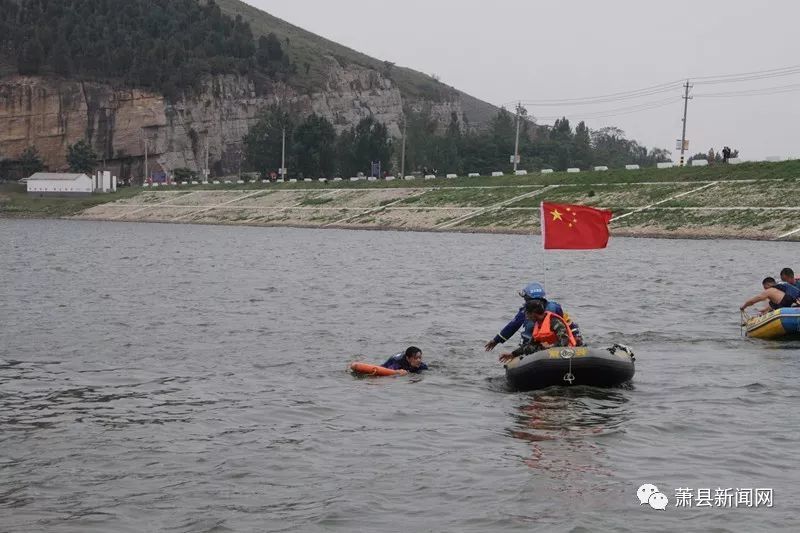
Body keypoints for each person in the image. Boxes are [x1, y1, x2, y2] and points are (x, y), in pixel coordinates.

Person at [484, 282, 582, 351]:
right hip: (539, 345)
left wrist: (496, 340)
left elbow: (512, 326)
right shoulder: (555, 307)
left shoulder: (525, 311)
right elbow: (568, 323)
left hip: (551, 346)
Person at [499, 300, 578, 363]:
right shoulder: (538, 325)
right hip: (549, 355)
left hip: (567, 353)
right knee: (532, 347)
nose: (526, 316)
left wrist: (550, 347)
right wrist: (513, 354)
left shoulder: (554, 321)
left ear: (533, 314)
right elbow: (530, 345)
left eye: (527, 313)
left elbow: (564, 340)